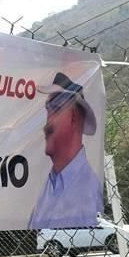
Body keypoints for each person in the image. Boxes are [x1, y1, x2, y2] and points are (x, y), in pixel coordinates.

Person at [28, 72, 104, 230]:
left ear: (74, 117)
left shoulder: (87, 191)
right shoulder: (50, 185)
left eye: (54, 109)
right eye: (47, 110)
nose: (46, 125)